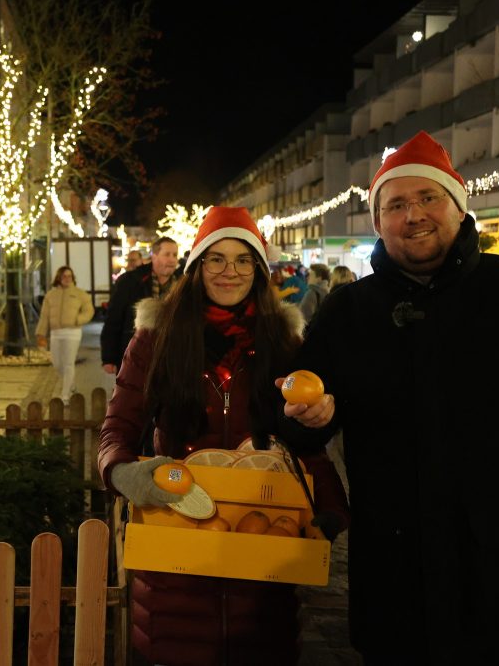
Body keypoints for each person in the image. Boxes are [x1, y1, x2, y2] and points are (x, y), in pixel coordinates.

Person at [288, 131, 499, 663]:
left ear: (458, 206)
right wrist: (307, 417)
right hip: (396, 586)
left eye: (428, 198)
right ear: (379, 222)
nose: (414, 215)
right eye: (396, 204)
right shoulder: (348, 312)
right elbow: (295, 423)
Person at [98, 207, 349, 665]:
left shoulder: (284, 341)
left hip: (263, 552)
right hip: (177, 542)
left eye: (243, 259)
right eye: (216, 259)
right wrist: (122, 472)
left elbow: (299, 440)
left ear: (259, 269)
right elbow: (118, 426)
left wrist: (328, 505)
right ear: (196, 267)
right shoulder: (156, 337)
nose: (229, 271)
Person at [100, 236, 179, 374]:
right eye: (167, 254)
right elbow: (113, 319)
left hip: (169, 358)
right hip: (135, 355)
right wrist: (109, 358)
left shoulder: (181, 285)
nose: (172, 260)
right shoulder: (130, 281)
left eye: (175, 255)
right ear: (154, 256)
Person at [36, 266, 95, 403]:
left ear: (73, 278)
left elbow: (89, 311)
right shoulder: (50, 295)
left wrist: (77, 320)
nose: (67, 279)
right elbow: (44, 317)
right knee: (57, 364)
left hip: (73, 333)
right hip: (56, 333)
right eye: (64, 276)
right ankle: (72, 384)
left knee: (68, 363)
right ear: (58, 278)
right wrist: (40, 334)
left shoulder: (80, 294)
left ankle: (65, 395)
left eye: (69, 276)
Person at [298, 263, 329, 327]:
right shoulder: (328, 291)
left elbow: (302, 318)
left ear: (319, 278)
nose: (308, 277)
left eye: (311, 275)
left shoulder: (311, 293)